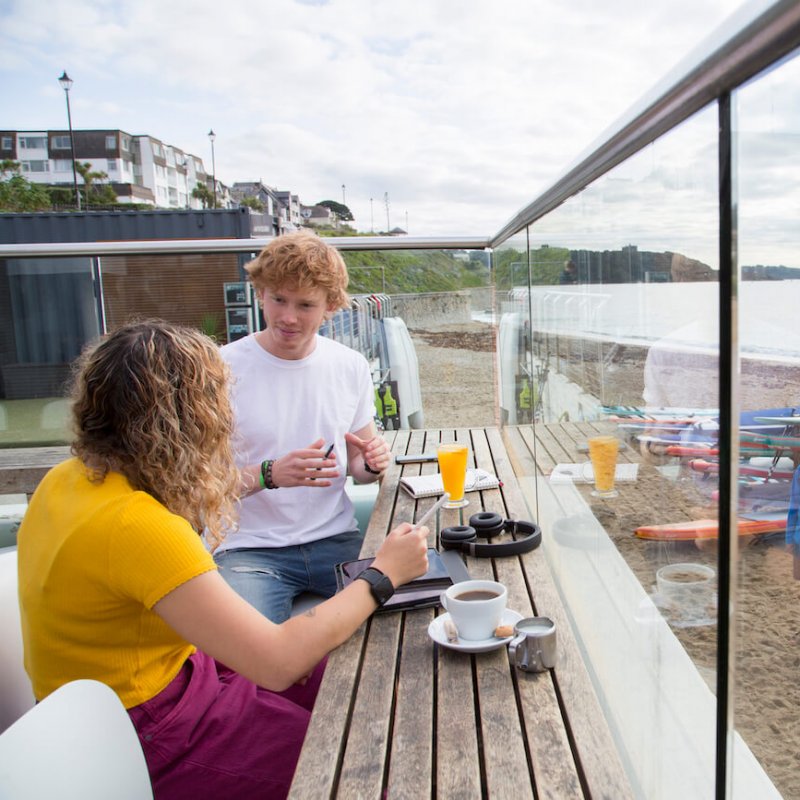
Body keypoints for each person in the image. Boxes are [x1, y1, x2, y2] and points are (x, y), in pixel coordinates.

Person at [17, 320, 429, 800]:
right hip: (145, 728)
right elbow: (277, 663)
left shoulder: (66, 479)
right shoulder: (138, 525)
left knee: (362, 679)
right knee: (360, 764)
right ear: (191, 418)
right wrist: (383, 574)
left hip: (150, 689)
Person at [213, 231, 392, 621]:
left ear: (331, 307)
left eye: (305, 305)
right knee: (250, 650)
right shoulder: (219, 369)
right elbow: (198, 485)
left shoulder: (350, 366)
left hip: (336, 540)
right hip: (247, 549)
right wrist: (269, 474)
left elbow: (359, 468)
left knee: (407, 615)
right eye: (278, 299)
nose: (288, 317)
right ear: (260, 293)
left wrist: (373, 463)